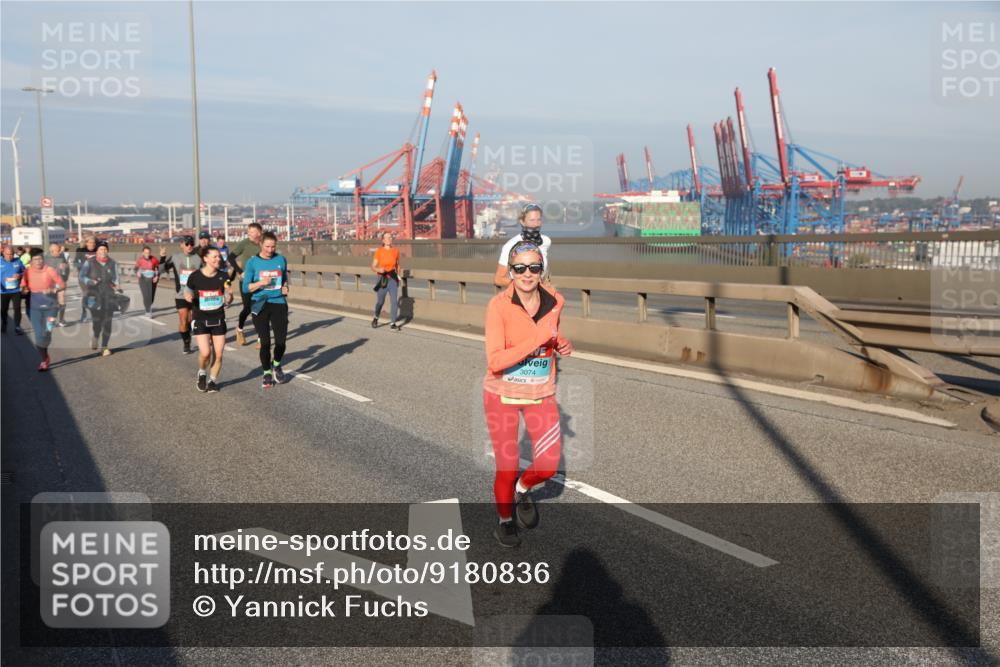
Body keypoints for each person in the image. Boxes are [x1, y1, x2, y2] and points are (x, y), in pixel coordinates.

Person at [483, 242, 572, 548]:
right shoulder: (498, 306)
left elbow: (551, 335)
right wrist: (536, 339)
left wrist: (561, 343)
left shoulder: (556, 300)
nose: (527, 274)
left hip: (540, 393)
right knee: (507, 467)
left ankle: (523, 488)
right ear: (510, 271)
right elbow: (495, 361)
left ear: (541, 270)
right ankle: (505, 520)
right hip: (502, 394)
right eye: (519, 268)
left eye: (534, 267)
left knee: (547, 466)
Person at [242, 231, 289, 389]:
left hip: (278, 302)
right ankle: (267, 372)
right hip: (259, 303)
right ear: (260, 244)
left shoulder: (281, 259)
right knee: (265, 342)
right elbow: (246, 287)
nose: (270, 250)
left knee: (281, 342)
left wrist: (285, 287)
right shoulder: (252, 262)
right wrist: (261, 283)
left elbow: (284, 279)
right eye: (267, 246)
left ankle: (277, 364)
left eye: (273, 247)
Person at [185, 246, 234, 392]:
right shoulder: (195, 276)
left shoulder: (224, 276)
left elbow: (228, 294)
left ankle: (212, 381)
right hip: (200, 318)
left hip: (218, 318)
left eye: (219, 256)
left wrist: (229, 297)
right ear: (205, 259)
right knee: (206, 353)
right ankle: (202, 372)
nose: (218, 259)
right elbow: (187, 290)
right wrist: (188, 296)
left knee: (218, 354)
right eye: (215, 257)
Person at [22, 248, 66, 371]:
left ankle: (45, 345)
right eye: (35, 259)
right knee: (38, 335)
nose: (38, 261)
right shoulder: (27, 272)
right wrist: (24, 290)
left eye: (40, 259)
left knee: (46, 333)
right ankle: (44, 359)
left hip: (51, 308)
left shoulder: (50, 270)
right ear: (31, 260)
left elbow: (62, 285)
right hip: (35, 308)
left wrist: (53, 290)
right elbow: (23, 286)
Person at [494, 203, 552, 288]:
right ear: (522, 222)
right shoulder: (511, 245)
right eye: (532, 220)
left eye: (538, 220)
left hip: (539, 294)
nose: (536, 224)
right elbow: (498, 279)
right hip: (518, 294)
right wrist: (527, 286)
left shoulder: (546, 241)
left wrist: (545, 285)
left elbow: (542, 274)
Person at [159, 236, 200, 354]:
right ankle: (186, 343)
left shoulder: (198, 258)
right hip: (181, 295)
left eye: (191, 243)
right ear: (181, 245)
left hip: (195, 295)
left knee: (190, 320)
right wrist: (162, 257)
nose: (189, 246)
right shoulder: (175, 257)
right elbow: (161, 270)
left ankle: (188, 333)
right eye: (187, 244)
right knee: (183, 319)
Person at [79, 242, 120, 356]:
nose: (103, 251)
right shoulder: (89, 262)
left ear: (107, 251)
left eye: (105, 249)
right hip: (94, 294)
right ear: (97, 251)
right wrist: (90, 281)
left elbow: (116, 278)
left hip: (108, 294)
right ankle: (96, 335)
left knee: (107, 322)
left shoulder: (112, 263)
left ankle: (105, 347)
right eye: (101, 249)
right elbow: (81, 276)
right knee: (97, 321)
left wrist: (117, 286)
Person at [228, 222, 262, 347]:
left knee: (258, 309)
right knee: (247, 308)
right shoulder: (244, 243)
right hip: (246, 281)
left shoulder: (264, 244)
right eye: (248, 231)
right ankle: (240, 329)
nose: (249, 233)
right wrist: (240, 271)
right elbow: (230, 258)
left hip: (260, 282)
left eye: (252, 231)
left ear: (259, 232)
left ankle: (261, 339)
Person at [371, 231, 401, 331]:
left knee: (394, 302)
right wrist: (378, 269)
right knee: (380, 302)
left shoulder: (396, 251)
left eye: (390, 237)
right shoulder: (379, 251)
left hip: (393, 279)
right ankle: (376, 317)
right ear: (383, 240)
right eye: (387, 237)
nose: (389, 239)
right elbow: (373, 266)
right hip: (382, 279)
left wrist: (398, 275)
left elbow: (397, 265)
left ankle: (393, 323)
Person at [1, 244, 25, 335]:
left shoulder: (18, 261)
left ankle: (17, 327)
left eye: (11, 254)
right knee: (3, 309)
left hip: (16, 290)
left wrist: (19, 275)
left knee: (17, 308)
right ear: (3, 253)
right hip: (3, 291)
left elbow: (24, 271)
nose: (9, 256)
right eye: (7, 254)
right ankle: (4, 323)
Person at [44, 242, 70, 326]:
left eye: (59, 250)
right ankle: (50, 319)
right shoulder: (45, 258)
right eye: (57, 251)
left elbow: (67, 267)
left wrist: (65, 273)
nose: (59, 252)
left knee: (62, 299)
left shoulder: (62, 256)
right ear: (51, 251)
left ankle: (61, 320)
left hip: (60, 280)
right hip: (50, 282)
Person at [75, 237, 98, 323]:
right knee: (86, 293)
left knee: (94, 295)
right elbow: (75, 262)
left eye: (93, 242)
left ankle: (94, 313)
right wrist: (84, 264)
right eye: (90, 242)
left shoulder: (98, 251)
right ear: (86, 243)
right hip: (83, 277)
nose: (92, 244)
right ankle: (84, 312)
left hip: (95, 277)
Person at [134, 246, 160, 315]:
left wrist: (157, 276)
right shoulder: (140, 260)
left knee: (151, 296)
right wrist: (138, 272)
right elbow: (135, 269)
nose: (147, 254)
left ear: (150, 253)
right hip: (143, 280)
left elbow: (158, 268)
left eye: (148, 253)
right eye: (145, 253)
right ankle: (148, 310)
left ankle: (148, 306)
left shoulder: (154, 259)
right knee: (146, 295)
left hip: (152, 280)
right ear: (143, 253)